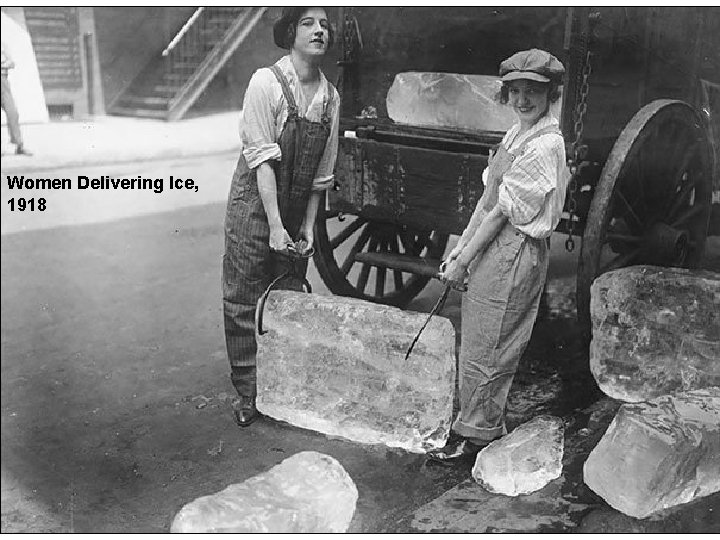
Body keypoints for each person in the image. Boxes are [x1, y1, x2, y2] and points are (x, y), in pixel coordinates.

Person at [429, 49, 569, 461]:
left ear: (551, 94)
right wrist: (459, 251)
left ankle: (477, 434)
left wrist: (465, 258)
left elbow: (504, 213)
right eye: (516, 91)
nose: (523, 100)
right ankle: (476, 424)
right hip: (494, 244)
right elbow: (487, 202)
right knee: (477, 339)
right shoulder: (516, 134)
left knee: (495, 345)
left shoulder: (546, 144)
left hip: (516, 250)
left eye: (534, 92)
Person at [222, 7, 339, 427]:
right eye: (309, 23)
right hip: (256, 205)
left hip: (293, 210)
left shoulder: (329, 98)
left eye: (325, 25)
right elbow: (262, 162)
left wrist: (306, 227)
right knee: (244, 299)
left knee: (286, 298)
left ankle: (281, 389)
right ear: (290, 33)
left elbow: (321, 175)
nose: (319, 31)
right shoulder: (265, 83)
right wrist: (275, 226)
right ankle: (249, 393)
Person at [1, 41, 30, 155]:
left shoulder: (3, 44)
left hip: (3, 82)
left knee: (13, 112)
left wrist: (4, 65)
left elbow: (12, 63)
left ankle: (19, 145)